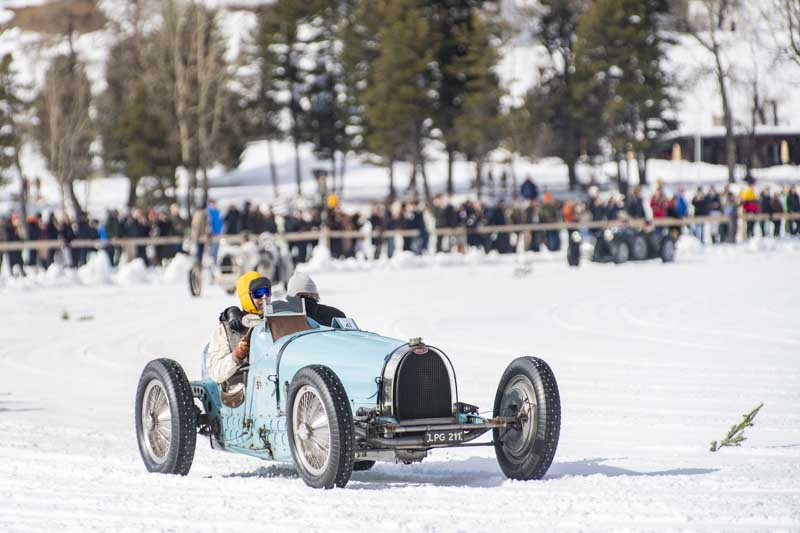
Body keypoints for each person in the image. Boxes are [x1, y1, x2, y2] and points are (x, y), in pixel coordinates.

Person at [207, 271, 272, 385]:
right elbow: (214, 372)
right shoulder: (226, 329)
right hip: (242, 388)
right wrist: (236, 355)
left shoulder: (278, 320)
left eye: (267, 291)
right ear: (246, 297)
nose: (264, 297)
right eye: (258, 293)